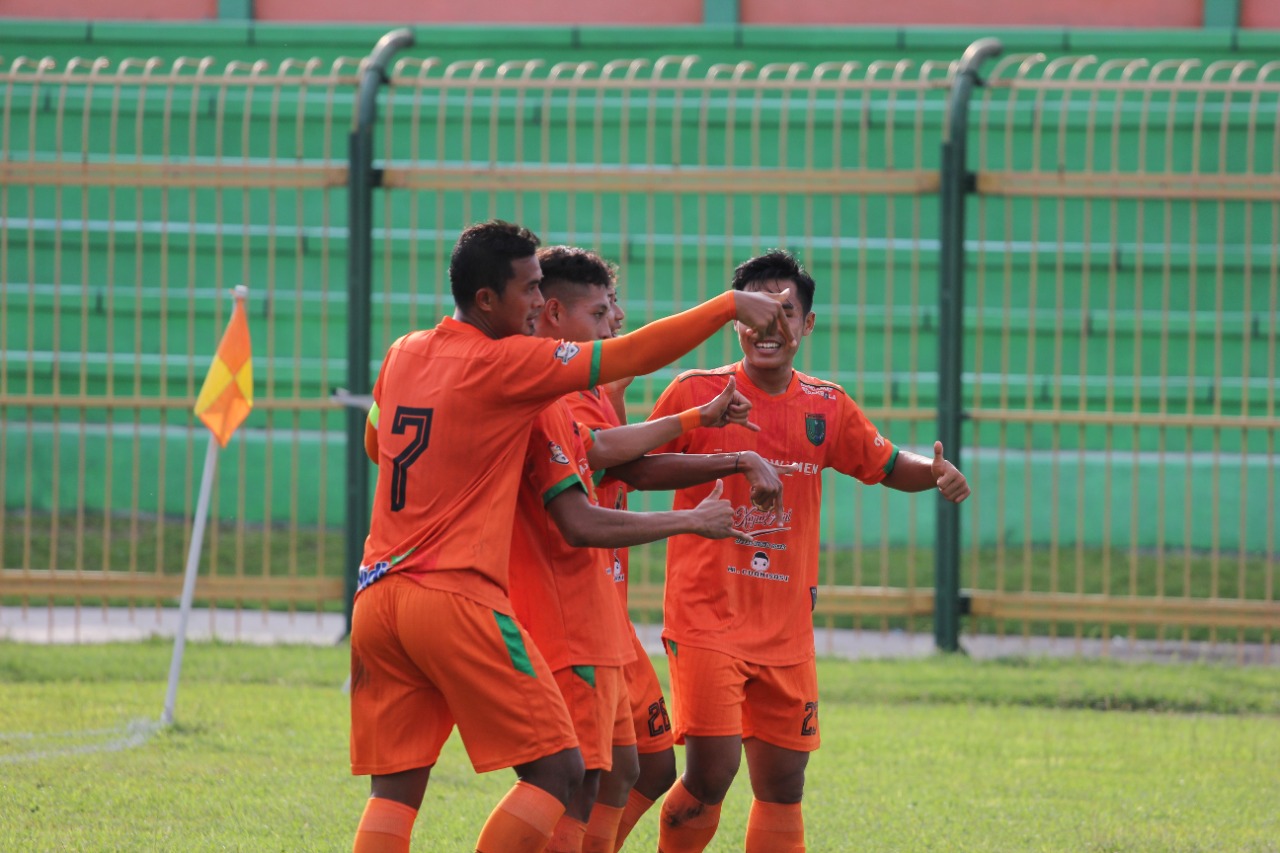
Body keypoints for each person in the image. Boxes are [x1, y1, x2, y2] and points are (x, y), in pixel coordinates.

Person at [349, 220, 794, 853]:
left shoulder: (403, 352)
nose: (538, 304)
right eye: (529, 290)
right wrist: (729, 306)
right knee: (561, 773)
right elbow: (627, 363)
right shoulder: (511, 365)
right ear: (486, 300)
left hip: (376, 593)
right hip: (453, 594)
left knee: (394, 793)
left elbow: (376, 443)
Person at [645, 250, 971, 852]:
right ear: (734, 321)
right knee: (711, 774)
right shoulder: (697, 392)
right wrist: (729, 461)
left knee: (783, 785)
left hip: (786, 627)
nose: (769, 328)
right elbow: (639, 467)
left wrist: (936, 472)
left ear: (807, 324)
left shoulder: (826, 404)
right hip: (706, 617)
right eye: (757, 313)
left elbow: (887, 463)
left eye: (785, 312)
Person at [515, 245, 788, 853]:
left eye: (616, 309)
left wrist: (728, 446)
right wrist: (698, 428)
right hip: (565, 615)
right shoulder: (546, 390)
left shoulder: (594, 395)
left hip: (602, 616)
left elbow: (628, 465)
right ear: (553, 315)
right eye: (601, 312)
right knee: (576, 778)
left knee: (644, 766)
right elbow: (604, 456)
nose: (616, 323)